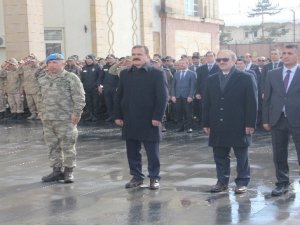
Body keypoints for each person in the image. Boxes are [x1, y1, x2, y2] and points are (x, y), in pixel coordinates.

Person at [202, 49, 258, 194]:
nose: (221, 62)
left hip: (238, 122)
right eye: (219, 60)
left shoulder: (246, 77)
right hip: (217, 122)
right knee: (220, 154)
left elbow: (252, 102)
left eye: (225, 60)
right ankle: (222, 181)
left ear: (233, 61)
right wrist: (206, 123)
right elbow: (207, 103)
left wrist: (250, 123)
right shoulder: (211, 79)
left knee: (241, 155)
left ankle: (242, 181)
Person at [114, 45, 168, 190]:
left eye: (139, 54)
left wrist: (158, 116)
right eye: (133, 54)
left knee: (152, 152)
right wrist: (118, 115)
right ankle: (136, 177)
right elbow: (119, 96)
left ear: (147, 56)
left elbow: (162, 97)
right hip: (129, 118)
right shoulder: (125, 73)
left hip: (149, 119)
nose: (136, 56)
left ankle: (154, 178)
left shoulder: (157, 73)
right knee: (132, 151)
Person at [38, 53, 85, 183]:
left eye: (55, 62)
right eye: (49, 63)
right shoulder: (43, 79)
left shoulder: (71, 78)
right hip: (48, 118)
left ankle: (69, 171)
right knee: (52, 146)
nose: (52, 65)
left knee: (68, 145)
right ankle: (56, 171)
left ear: (62, 64)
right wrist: (41, 112)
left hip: (66, 118)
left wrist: (77, 113)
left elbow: (79, 97)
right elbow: (39, 97)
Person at [262, 44, 300, 196]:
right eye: (283, 53)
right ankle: (282, 183)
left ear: (297, 55)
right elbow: (267, 98)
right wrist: (266, 119)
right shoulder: (272, 74)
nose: (285, 56)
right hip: (277, 119)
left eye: (289, 53)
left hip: (297, 118)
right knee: (279, 153)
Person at [171, 59, 196, 133]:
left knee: (188, 112)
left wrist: (191, 96)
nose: (181, 65)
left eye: (183, 63)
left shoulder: (192, 73)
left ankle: (189, 127)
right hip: (178, 96)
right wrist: (173, 95)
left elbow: (193, 86)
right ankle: (181, 127)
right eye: (180, 63)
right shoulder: (176, 73)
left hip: (187, 96)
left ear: (187, 64)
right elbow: (173, 86)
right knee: (179, 112)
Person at [81, 54, 101, 122]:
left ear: (93, 60)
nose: (88, 60)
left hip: (94, 88)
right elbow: (82, 78)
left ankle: (95, 116)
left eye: (90, 59)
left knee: (95, 103)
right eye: (87, 59)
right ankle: (91, 115)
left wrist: (98, 85)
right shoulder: (84, 68)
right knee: (89, 103)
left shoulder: (97, 67)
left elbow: (99, 77)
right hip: (86, 88)